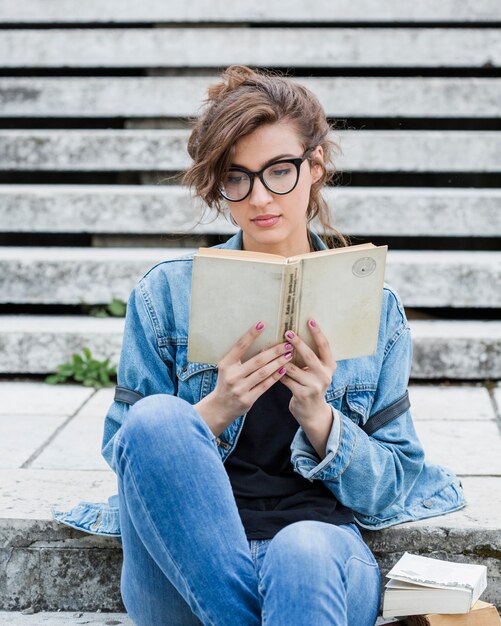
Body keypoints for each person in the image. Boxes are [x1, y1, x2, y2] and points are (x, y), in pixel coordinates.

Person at [54, 65, 466, 626]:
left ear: (315, 166)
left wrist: (320, 419)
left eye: (279, 171)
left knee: (302, 549)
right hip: (183, 563)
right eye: (237, 178)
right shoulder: (166, 294)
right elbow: (130, 455)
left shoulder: (376, 308)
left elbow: (395, 480)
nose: (259, 197)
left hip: (318, 558)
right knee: (155, 420)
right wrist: (217, 409)